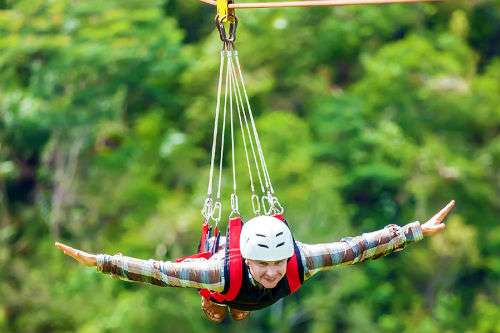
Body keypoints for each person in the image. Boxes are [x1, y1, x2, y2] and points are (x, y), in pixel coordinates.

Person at [55, 200, 455, 323]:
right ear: (246, 259)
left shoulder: (301, 260)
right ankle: (219, 304)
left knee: (249, 297)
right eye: (263, 265)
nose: (271, 272)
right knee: (215, 294)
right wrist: (103, 262)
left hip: (239, 295)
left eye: (277, 263)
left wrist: (416, 230)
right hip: (225, 288)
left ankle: (231, 307)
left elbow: (357, 248)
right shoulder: (216, 270)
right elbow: (160, 272)